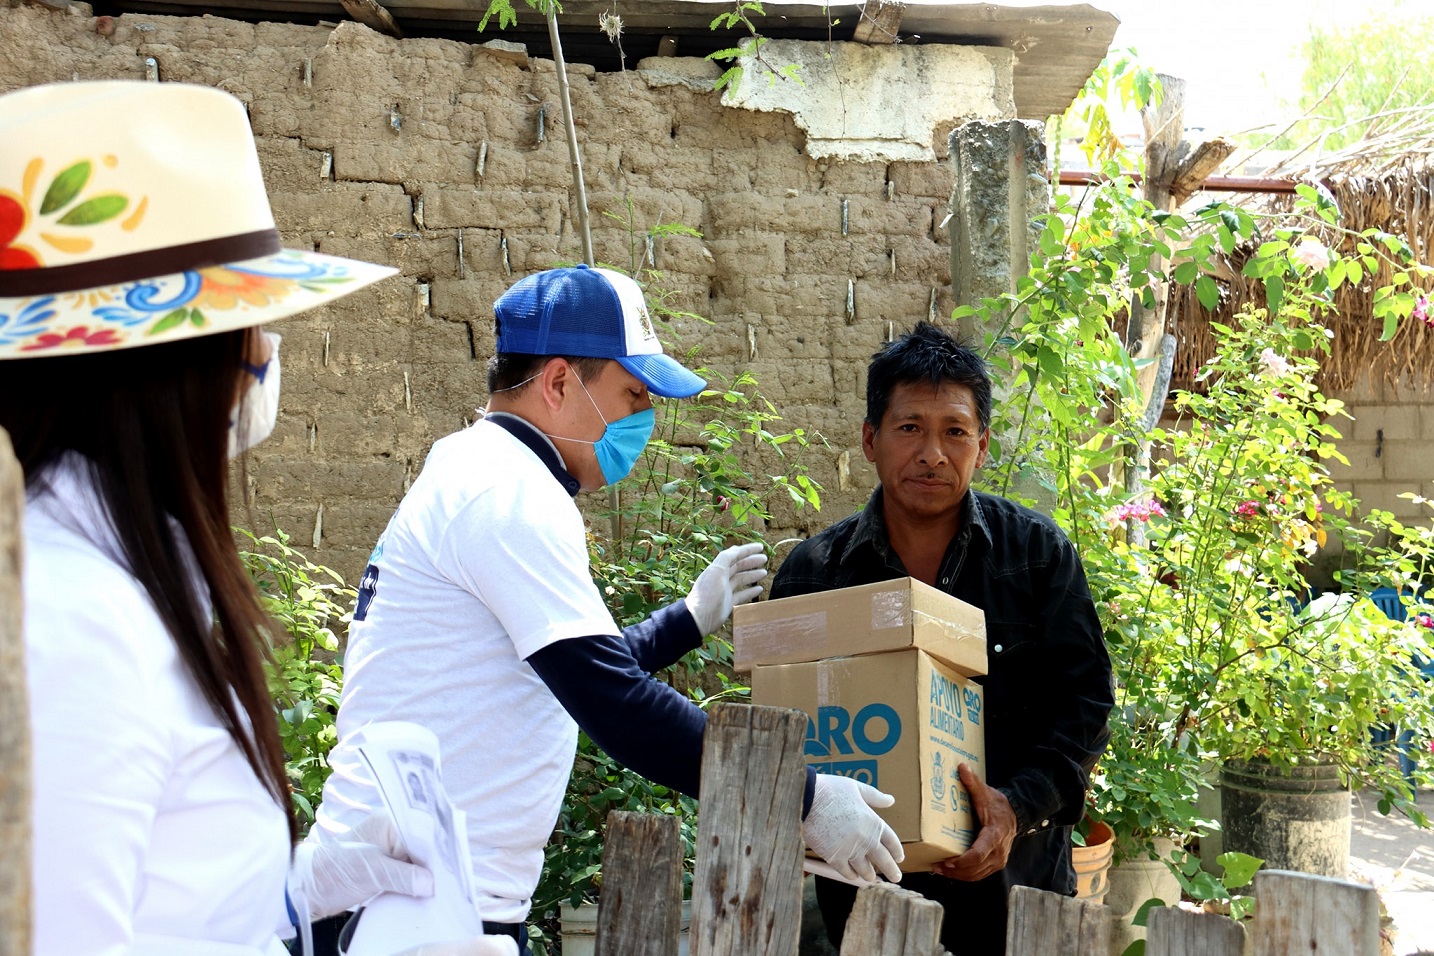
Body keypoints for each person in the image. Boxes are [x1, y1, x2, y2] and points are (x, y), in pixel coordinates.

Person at [0, 80, 512, 955]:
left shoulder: (116, 578)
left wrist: (302, 891)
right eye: (254, 322)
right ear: (177, 365)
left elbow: (157, 902)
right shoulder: (73, 617)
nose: (268, 352)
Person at [310, 264, 905, 953]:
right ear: (560, 383)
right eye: (630, 395)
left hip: (414, 896)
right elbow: (611, 701)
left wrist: (686, 616)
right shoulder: (510, 493)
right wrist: (801, 798)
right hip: (407, 907)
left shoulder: (481, 471)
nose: (643, 421)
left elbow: (557, 673)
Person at [769, 321, 1114, 955]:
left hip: (1019, 892)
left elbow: (1086, 705)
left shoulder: (1035, 557)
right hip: (868, 894)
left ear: (981, 447)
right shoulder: (816, 574)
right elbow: (783, 726)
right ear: (871, 440)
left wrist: (1016, 807)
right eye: (910, 429)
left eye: (954, 431)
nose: (932, 452)